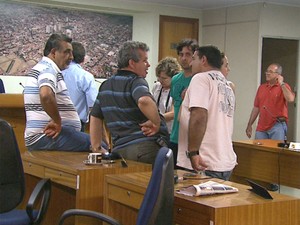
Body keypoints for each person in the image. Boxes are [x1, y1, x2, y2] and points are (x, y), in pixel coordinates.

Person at [90, 41, 169, 164]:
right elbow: (144, 100)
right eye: (144, 61)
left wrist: (96, 147)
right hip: (145, 150)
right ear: (132, 63)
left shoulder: (105, 86)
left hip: (120, 152)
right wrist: (156, 122)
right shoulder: (136, 82)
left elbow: (95, 116)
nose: (148, 65)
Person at [178, 45, 236, 181]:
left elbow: (199, 115)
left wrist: (193, 152)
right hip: (224, 161)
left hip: (204, 161)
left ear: (203, 60)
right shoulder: (226, 84)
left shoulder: (201, 78)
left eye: (194, 58)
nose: (191, 63)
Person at [24, 33, 91, 151]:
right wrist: (57, 121)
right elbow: (46, 95)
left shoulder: (41, 68)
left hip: (45, 136)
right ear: (54, 53)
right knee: (99, 145)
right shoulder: (48, 69)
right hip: (45, 136)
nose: (71, 57)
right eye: (67, 52)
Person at [246, 63, 295, 141]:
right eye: (267, 71)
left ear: (278, 75)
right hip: (261, 127)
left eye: (271, 72)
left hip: (277, 125)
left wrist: (281, 83)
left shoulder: (284, 86)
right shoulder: (261, 88)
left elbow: (290, 99)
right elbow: (256, 108)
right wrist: (249, 124)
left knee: (275, 152)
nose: (267, 73)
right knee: (259, 152)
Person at [169, 38, 198, 168]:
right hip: (175, 136)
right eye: (181, 54)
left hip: (191, 138)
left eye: (188, 54)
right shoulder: (175, 79)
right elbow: (174, 104)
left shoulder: (199, 79)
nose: (184, 58)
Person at [62, 42, 98, 132]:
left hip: (54, 123)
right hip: (77, 124)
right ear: (82, 58)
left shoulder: (55, 73)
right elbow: (93, 105)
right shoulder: (85, 77)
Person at [152, 57, 181, 134]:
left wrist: (155, 120)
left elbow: (173, 113)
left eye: (164, 78)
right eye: (159, 78)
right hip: (157, 130)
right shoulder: (157, 86)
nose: (160, 81)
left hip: (170, 131)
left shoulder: (177, 89)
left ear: (174, 77)